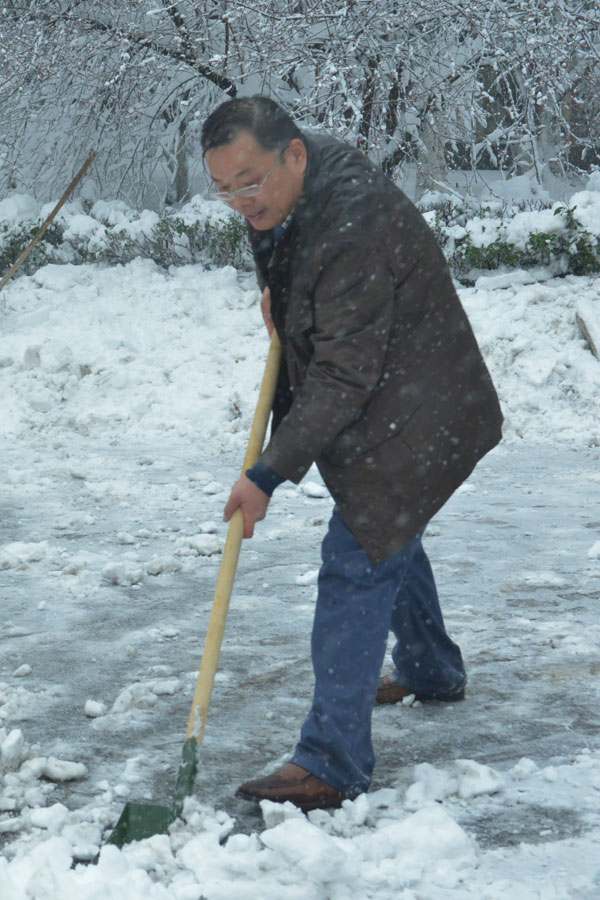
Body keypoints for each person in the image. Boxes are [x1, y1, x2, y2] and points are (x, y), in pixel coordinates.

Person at [201, 96, 503, 812]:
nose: (241, 201)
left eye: (250, 182)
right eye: (224, 189)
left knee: (359, 554)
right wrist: (278, 292)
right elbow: (281, 248)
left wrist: (267, 472)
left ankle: (331, 761)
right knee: (387, 530)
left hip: (420, 408)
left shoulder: (352, 227)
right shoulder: (291, 186)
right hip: (399, 389)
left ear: (294, 154)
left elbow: (343, 376)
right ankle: (431, 670)